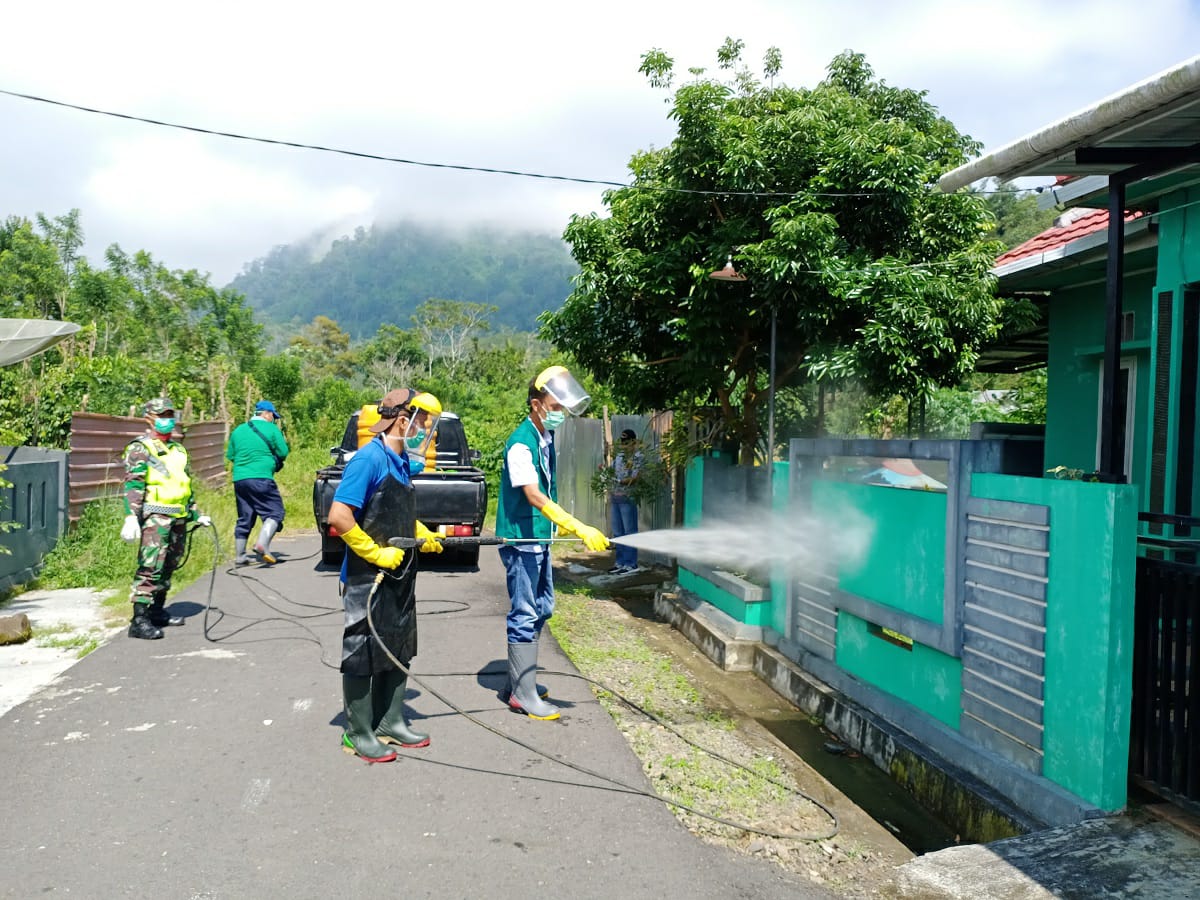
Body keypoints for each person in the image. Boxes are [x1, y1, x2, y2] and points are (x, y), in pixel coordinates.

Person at [326, 388, 445, 762]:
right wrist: (376, 553)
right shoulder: (368, 460)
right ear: (402, 418)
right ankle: (358, 732)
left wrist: (419, 533)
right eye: (423, 420)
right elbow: (339, 517)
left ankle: (389, 721)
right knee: (363, 649)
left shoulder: (399, 461)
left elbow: (392, 511)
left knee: (398, 643)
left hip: (400, 573)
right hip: (367, 576)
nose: (426, 428)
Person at [496, 365, 610, 720]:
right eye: (555, 406)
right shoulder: (520, 444)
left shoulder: (544, 439)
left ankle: (520, 680)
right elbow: (533, 495)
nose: (560, 413)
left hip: (539, 539)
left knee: (542, 609)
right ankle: (522, 695)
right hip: (522, 541)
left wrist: (555, 528)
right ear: (536, 404)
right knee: (525, 612)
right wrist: (576, 525)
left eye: (563, 407)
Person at [120, 398, 212, 640]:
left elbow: (183, 485)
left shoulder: (178, 449)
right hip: (155, 518)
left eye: (170, 415)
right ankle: (139, 620)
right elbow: (134, 484)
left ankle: (157, 611)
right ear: (149, 418)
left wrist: (196, 513)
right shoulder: (141, 448)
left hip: (178, 517)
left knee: (169, 565)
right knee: (150, 567)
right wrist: (131, 516)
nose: (167, 420)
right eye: (162, 415)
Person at [225, 399, 290, 565]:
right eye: (273, 416)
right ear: (266, 414)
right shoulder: (271, 428)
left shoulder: (238, 430)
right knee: (275, 513)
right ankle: (262, 544)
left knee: (245, 516)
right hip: (261, 478)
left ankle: (240, 556)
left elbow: (231, 455)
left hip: (240, 479)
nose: (274, 419)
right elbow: (283, 452)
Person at [608, 429, 644, 574]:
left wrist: (623, 482)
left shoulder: (637, 457)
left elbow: (635, 477)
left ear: (634, 442)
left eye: (627, 443)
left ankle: (631, 564)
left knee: (629, 532)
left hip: (627, 497)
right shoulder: (619, 456)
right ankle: (620, 562)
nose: (625, 446)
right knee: (618, 532)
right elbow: (610, 471)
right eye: (623, 443)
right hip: (615, 497)